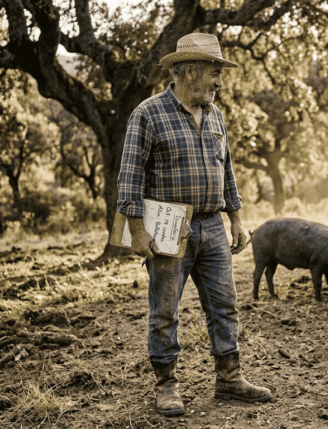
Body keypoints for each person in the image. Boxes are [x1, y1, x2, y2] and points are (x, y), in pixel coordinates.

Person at [116, 33, 271, 417]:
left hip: (213, 227)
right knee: (165, 310)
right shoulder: (148, 114)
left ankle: (230, 379)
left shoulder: (216, 114)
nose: (220, 82)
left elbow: (227, 170)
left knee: (225, 305)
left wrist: (236, 219)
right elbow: (130, 178)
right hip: (169, 229)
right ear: (188, 71)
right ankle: (166, 385)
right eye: (214, 73)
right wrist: (138, 231)